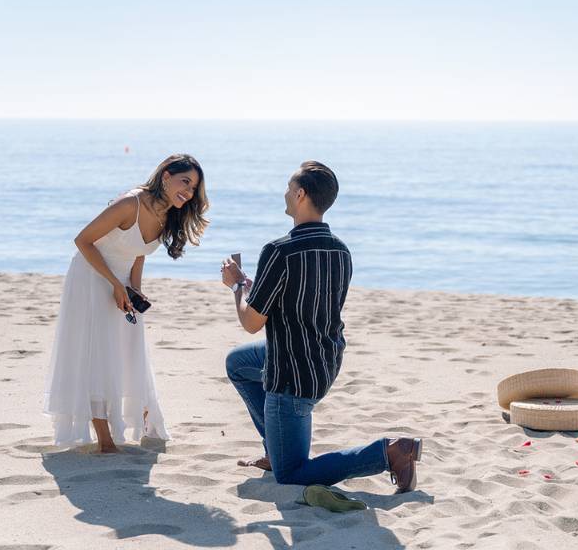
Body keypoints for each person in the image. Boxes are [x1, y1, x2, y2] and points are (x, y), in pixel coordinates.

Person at [222, 161, 422, 493]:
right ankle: (275, 448)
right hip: (324, 362)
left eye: (289, 188)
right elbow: (303, 300)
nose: (285, 193)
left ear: (300, 194)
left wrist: (235, 287)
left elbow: (251, 322)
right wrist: (251, 285)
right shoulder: (341, 251)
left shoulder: (279, 251)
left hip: (291, 376)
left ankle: (388, 452)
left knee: (291, 474)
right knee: (238, 363)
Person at [44, 154, 209, 452]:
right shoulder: (129, 204)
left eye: (194, 187)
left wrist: (135, 288)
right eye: (185, 181)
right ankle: (105, 440)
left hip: (121, 282)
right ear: (166, 176)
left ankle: (141, 418)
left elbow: (139, 251)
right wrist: (115, 284)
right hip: (92, 275)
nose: (189, 191)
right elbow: (83, 241)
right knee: (98, 352)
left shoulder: (168, 212)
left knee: (130, 349)